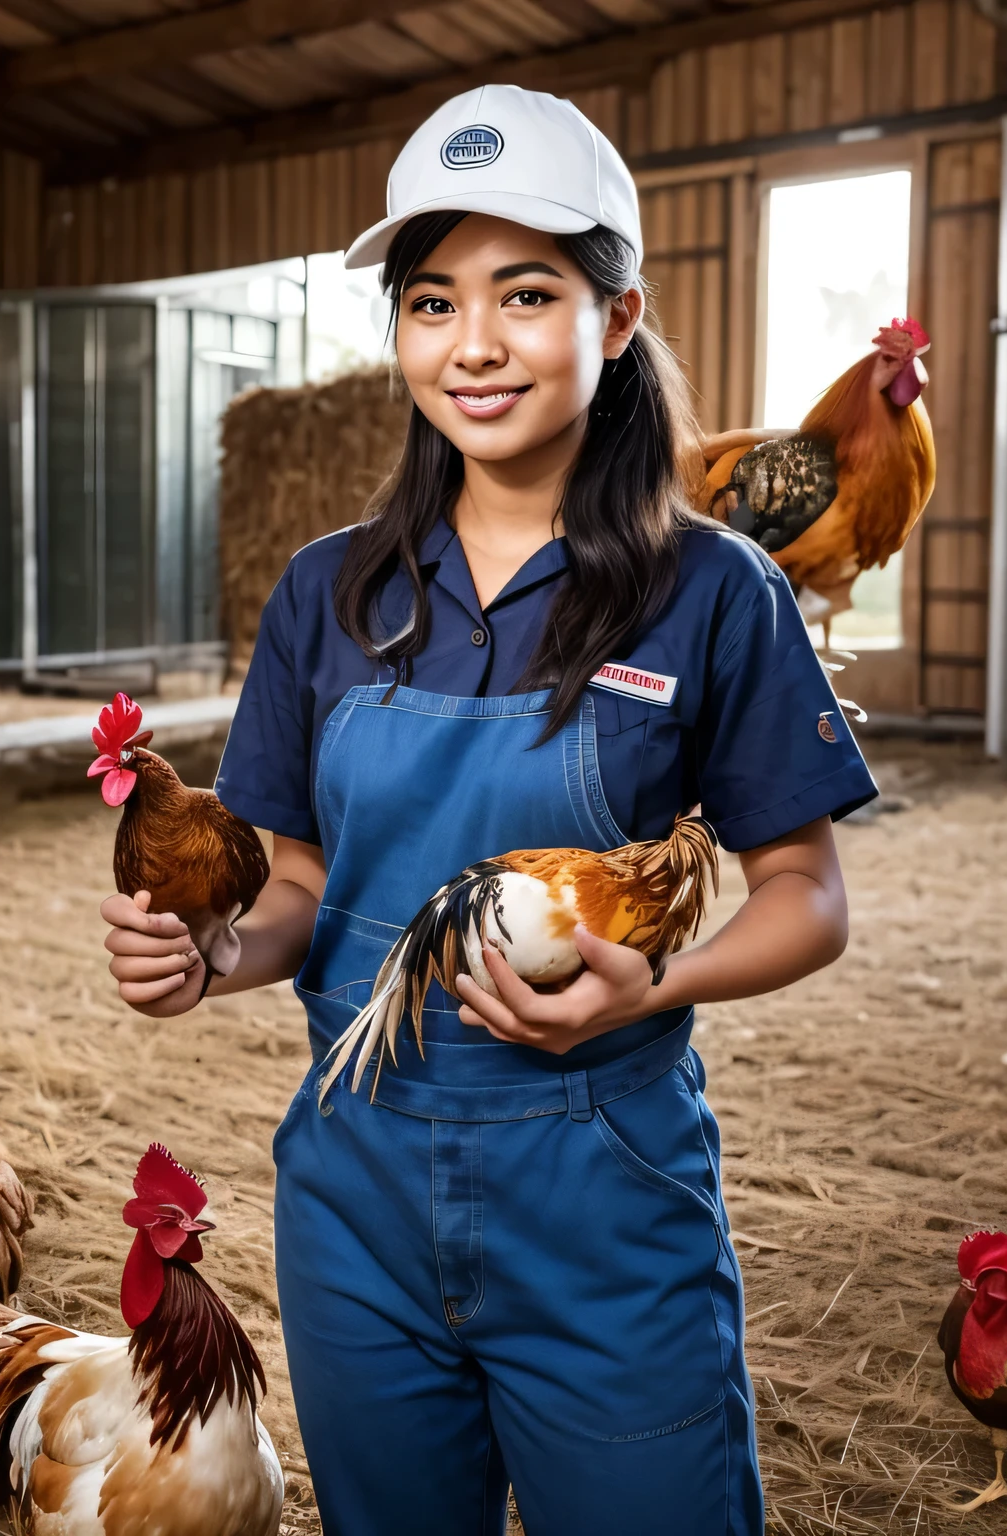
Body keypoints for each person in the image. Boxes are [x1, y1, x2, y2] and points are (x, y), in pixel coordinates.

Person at [99, 84, 877, 1536]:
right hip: (357, 1188)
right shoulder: (330, 592)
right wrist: (203, 961)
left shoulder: (714, 591)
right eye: (432, 299)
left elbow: (808, 892)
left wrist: (660, 988)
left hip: (600, 1196)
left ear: (621, 317)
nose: (475, 344)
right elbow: (294, 889)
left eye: (528, 293)